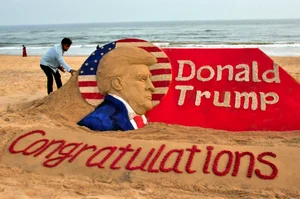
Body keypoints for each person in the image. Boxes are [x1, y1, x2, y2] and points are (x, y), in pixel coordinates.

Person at [77, 47, 157, 131]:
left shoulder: (135, 115)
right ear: (117, 83)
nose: (152, 87)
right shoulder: (99, 122)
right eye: (142, 79)